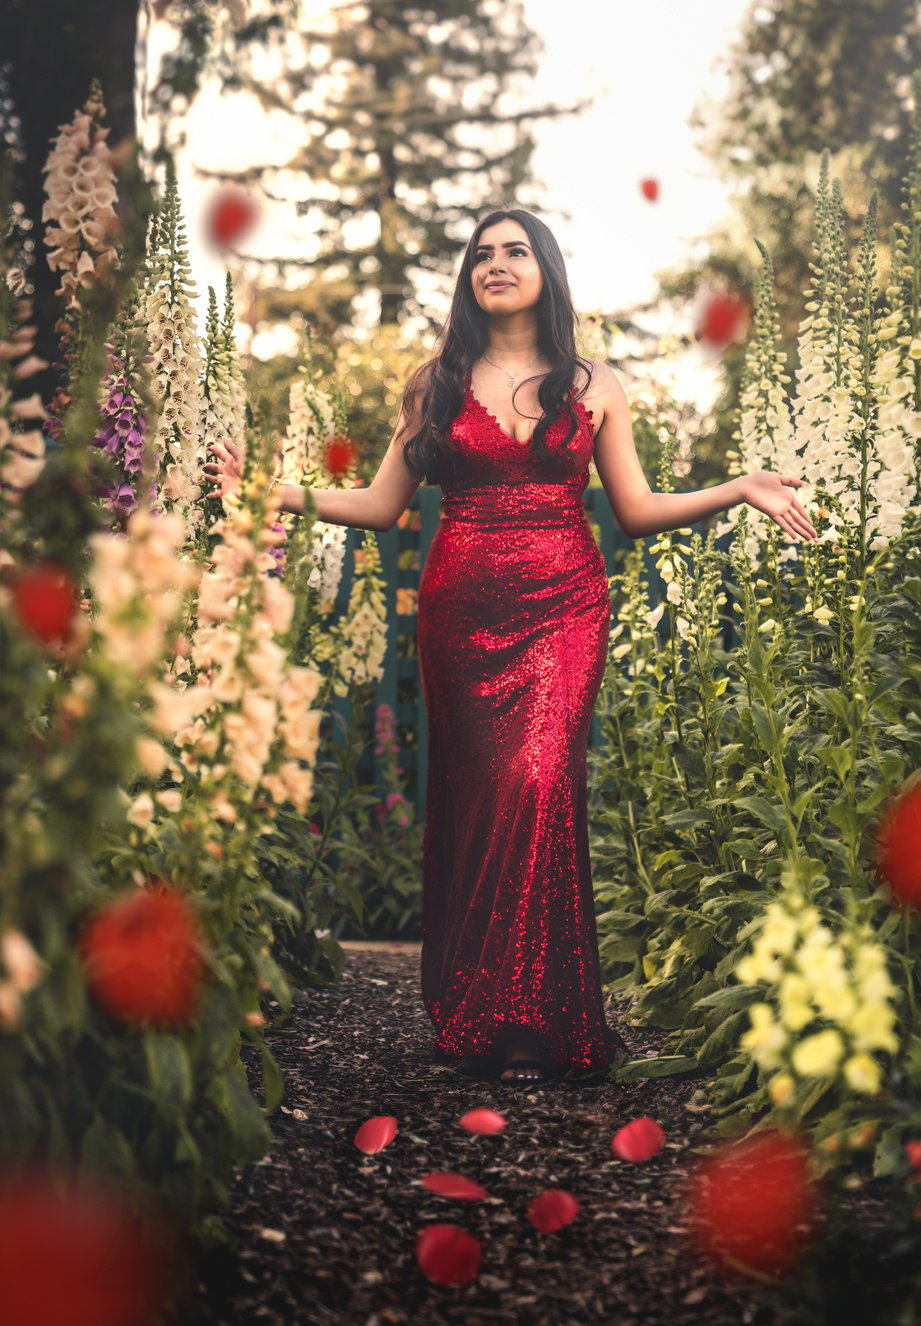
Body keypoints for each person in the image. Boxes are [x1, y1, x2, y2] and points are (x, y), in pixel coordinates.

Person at [204, 207, 817, 1087]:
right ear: (468, 278)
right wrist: (270, 492)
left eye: (514, 250)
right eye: (481, 254)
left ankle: (538, 1019)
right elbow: (381, 506)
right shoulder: (434, 383)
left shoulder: (595, 382)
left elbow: (636, 510)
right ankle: (478, 1009)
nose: (495, 264)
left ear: (545, 270)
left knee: (538, 781)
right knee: (481, 795)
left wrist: (740, 485)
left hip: (566, 606)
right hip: (460, 610)